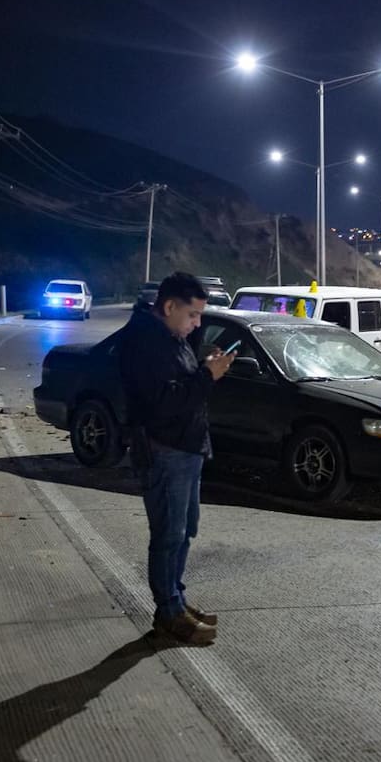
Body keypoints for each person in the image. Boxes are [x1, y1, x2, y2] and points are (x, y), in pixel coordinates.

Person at [118, 271, 236, 645]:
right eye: (193, 315)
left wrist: (204, 368)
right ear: (169, 306)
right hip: (164, 451)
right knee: (168, 534)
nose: (197, 323)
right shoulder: (145, 341)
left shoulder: (171, 336)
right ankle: (168, 612)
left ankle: (177, 599)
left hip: (185, 449)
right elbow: (163, 404)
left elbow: (181, 387)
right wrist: (207, 375)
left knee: (184, 531)